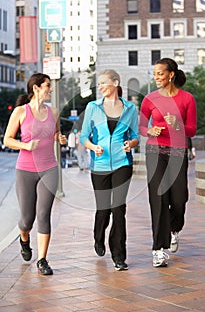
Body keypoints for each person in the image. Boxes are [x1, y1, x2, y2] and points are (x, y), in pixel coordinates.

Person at [4, 73, 67, 275]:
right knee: (26, 220)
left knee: (43, 215)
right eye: (48, 85)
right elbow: (7, 139)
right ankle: (24, 240)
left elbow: (55, 134)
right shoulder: (21, 112)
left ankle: (42, 260)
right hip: (25, 169)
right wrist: (25, 145)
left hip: (49, 168)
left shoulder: (53, 112)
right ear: (36, 88)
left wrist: (60, 138)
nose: (51, 89)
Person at [139, 58, 197, 268]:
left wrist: (178, 124)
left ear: (171, 74)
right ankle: (158, 249)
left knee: (179, 199)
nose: (156, 78)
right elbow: (141, 126)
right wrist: (149, 131)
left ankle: (174, 229)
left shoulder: (187, 99)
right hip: (155, 151)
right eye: (154, 74)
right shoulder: (150, 99)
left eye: (160, 74)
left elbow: (192, 130)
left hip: (177, 151)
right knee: (159, 199)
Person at [80, 69, 139, 271]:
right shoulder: (92, 107)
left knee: (118, 209)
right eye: (99, 84)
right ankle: (98, 237)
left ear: (116, 82)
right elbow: (83, 137)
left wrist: (131, 144)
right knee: (104, 208)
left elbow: (136, 135)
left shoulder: (130, 108)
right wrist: (93, 147)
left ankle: (119, 256)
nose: (101, 87)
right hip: (100, 165)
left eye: (105, 83)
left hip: (123, 163)